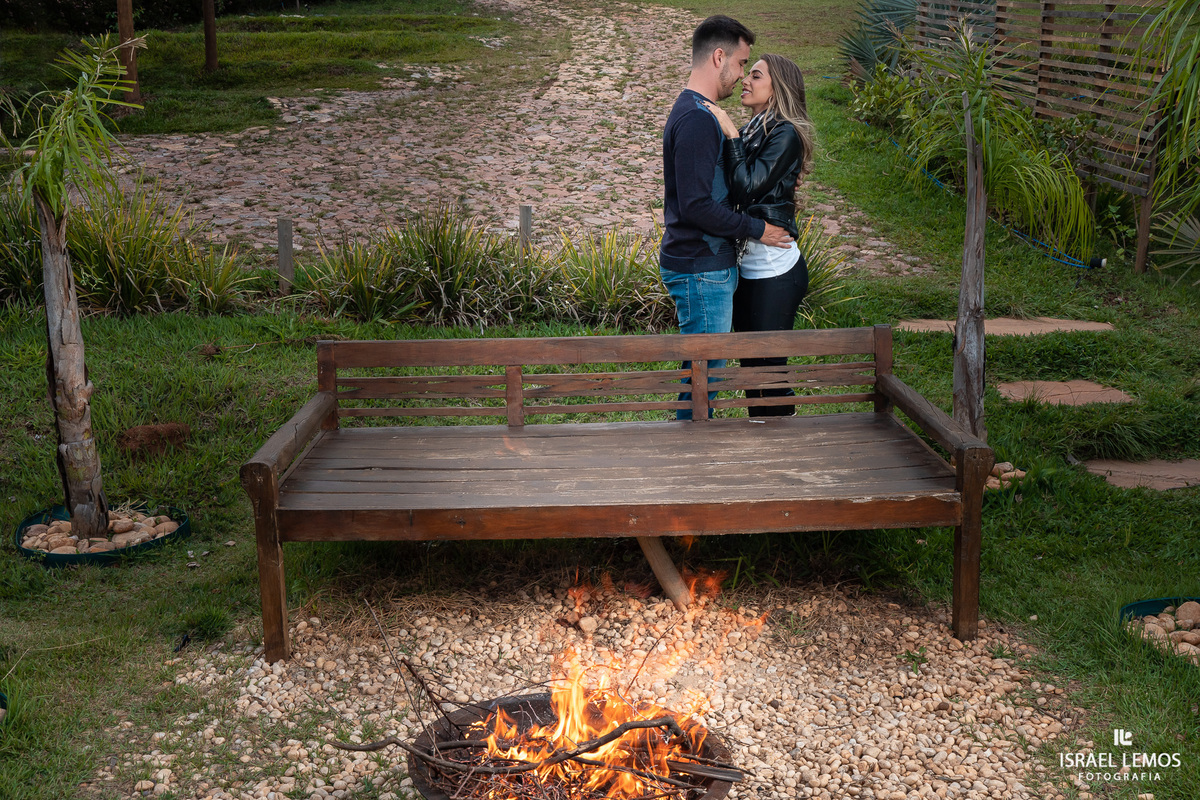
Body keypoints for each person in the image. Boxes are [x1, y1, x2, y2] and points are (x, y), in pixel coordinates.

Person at [660, 16, 794, 420]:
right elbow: (697, 207)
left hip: (706, 264)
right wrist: (758, 230)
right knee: (703, 381)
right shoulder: (699, 119)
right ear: (719, 57)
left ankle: (694, 455)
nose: (740, 76)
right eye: (740, 64)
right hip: (702, 266)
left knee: (703, 376)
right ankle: (693, 462)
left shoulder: (701, 112)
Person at [704, 53, 816, 416]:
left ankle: (783, 449)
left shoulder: (784, 132)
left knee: (770, 374)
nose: (745, 81)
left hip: (776, 271)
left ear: (777, 87)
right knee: (753, 372)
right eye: (747, 74)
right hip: (750, 268)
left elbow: (746, 189)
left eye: (755, 75)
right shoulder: (758, 129)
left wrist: (731, 134)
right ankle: (763, 449)